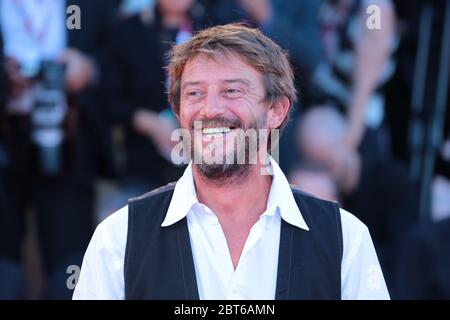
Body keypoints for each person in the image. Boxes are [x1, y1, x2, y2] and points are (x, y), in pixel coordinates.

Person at [73, 23, 389, 300]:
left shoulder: (345, 239)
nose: (210, 110)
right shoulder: (118, 240)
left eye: (232, 90)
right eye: (194, 94)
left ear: (276, 110)